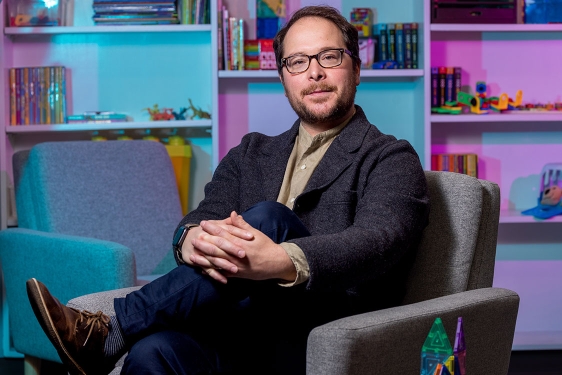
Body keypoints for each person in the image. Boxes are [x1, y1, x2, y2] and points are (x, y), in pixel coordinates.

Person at [26, 5, 430, 375]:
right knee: (152, 352)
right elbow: (202, 217)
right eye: (298, 62)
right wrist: (189, 239)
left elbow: (380, 241)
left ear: (355, 70)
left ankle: (113, 327)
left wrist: (281, 259)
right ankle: (120, 336)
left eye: (329, 57)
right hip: (235, 329)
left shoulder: (389, 157)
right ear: (284, 79)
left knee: (270, 218)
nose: (314, 72)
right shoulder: (251, 152)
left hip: (321, 331)